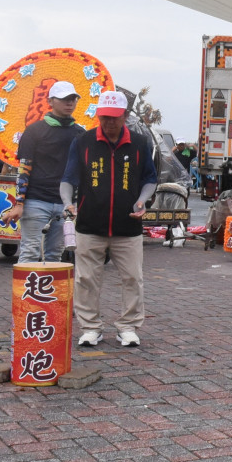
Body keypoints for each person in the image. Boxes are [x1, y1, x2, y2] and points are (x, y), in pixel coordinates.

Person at [60, 91, 157, 347]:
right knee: (86, 278)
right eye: (104, 117)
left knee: (133, 278)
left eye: (114, 117)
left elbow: (149, 179)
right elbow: (69, 179)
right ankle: (91, 327)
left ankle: (128, 326)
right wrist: (68, 203)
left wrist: (142, 200)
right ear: (98, 116)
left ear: (125, 116)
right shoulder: (83, 142)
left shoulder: (139, 143)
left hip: (128, 226)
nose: (109, 123)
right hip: (89, 224)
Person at [0, 81, 85, 262]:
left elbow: (82, 172)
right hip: (36, 201)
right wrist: (19, 203)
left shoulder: (80, 134)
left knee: (56, 254)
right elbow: (24, 169)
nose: (69, 103)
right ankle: (27, 291)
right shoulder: (34, 131)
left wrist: (77, 203)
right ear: (51, 101)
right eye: (64, 99)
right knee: (30, 252)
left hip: (66, 204)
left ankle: (50, 291)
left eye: (73, 99)